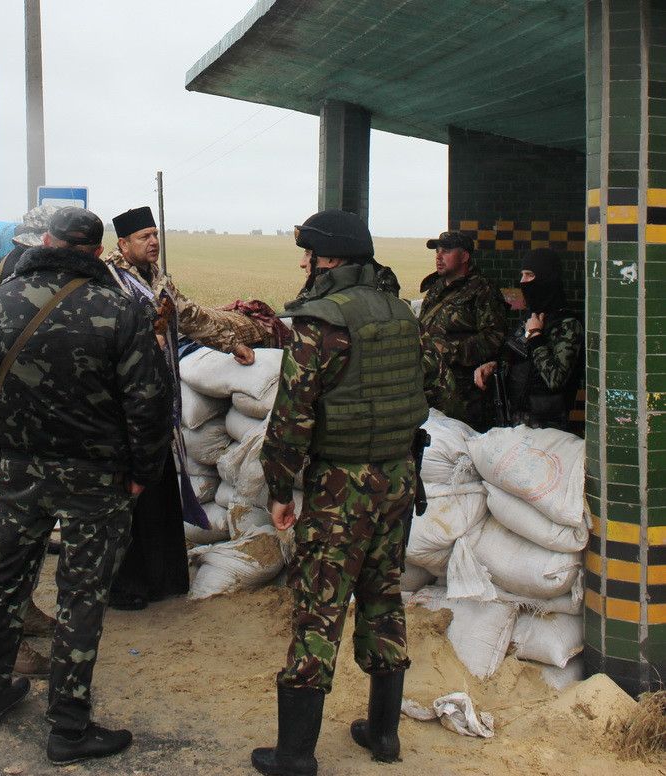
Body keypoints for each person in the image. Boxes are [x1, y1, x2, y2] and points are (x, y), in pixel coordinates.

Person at [0, 207, 171, 765]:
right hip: (96, 481)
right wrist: (142, 475)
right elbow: (149, 404)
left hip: (17, 472)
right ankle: (69, 728)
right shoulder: (119, 310)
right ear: (98, 252)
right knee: (82, 597)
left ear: (46, 242)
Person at [252, 210, 429, 776]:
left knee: (318, 610)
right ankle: (383, 735)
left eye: (309, 253)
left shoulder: (320, 321)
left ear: (328, 259)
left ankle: (296, 755)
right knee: (383, 593)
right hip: (398, 479)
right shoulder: (401, 312)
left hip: (340, 487)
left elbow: (291, 418)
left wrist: (280, 488)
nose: (305, 262)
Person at [103, 206, 267, 610]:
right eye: (144, 236)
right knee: (127, 491)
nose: (153, 242)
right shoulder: (107, 282)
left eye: (155, 234)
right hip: (121, 402)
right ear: (122, 244)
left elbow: (191, 317)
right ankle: (125, 584)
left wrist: (232, 343)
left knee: (158, 486)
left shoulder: (158, 281)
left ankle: (163, 577)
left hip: (158, 400)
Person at [0, 204, 60, 678]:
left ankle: (22, 613)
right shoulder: (7, 283)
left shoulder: (4, 273)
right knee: (4, 547)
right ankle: (7, 650)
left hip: (10, 430)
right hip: (12, 432)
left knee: (20, 540)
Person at [473, 248, 583, 431]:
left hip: (548, 430)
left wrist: (536, 337)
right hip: (515, 424)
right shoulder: (531, 318)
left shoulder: (567, 325)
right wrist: (494, 366)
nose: (522, 282)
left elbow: (555, 380)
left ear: (547, 278)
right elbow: (518, 357)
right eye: (522, 275)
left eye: (529, 275)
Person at [418, 231, 507, 431]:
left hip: (462, 395)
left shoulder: (482, 290)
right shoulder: (436, 288)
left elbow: (494, 336)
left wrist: (451, 350)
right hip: (429, 387)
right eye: (437, 251)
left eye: (446, 251)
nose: (438, 257)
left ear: (465, 256)